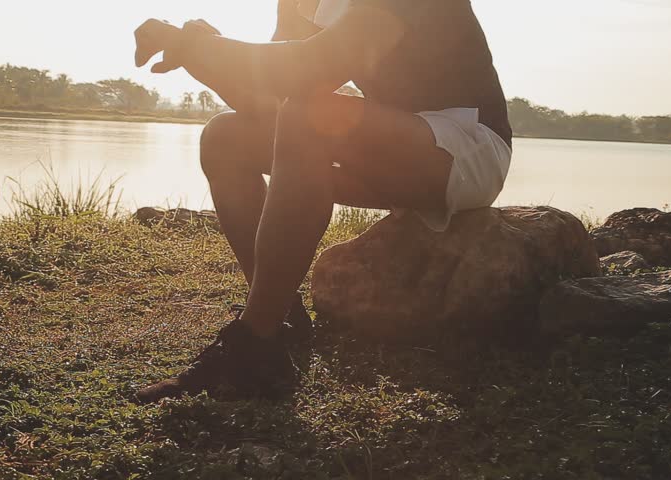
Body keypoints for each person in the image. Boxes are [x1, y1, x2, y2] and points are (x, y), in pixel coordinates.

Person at [134, 0, 513, 403]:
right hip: (391, 142)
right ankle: (281, 318)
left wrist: (201, 45)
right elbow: (266, 99)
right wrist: (200, 54)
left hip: (467, 146)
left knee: (308, 117)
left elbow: (308, 67)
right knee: (226, 138)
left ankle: (253, 344)